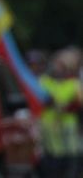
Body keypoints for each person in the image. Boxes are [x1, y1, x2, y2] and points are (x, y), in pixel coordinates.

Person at [38, 48, 82, 178]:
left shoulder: (74, 84)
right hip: (49, 129)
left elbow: (78, 104)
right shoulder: (44, 81)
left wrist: (68, 107)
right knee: (52, 159)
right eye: (57, 65)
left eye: (62, 66)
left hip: (69, 129)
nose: (58, 68)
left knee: (71, 157)